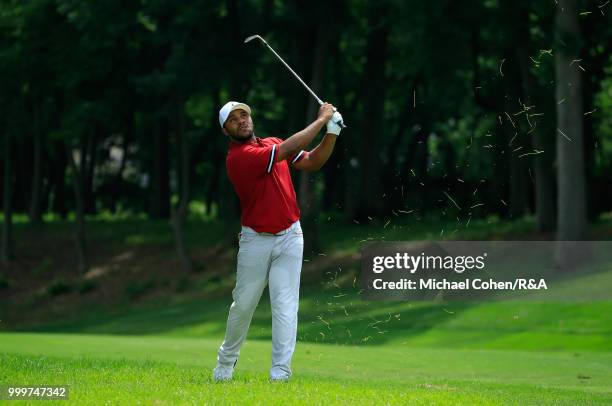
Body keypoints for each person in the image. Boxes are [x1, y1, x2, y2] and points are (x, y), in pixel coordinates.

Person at [213, 101, 343, 382]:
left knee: (285, 306)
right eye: (233, 120)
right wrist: (322, 120)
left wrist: (332, 132)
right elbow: (284, 150)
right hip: (255, 241)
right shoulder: (239, 157)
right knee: (244, 305)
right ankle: (225, 363)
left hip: (290, 236)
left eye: (244, 115)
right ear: (226, 131)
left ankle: (280, 374)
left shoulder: (271, 142)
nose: (241, 121)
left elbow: (313, 162)